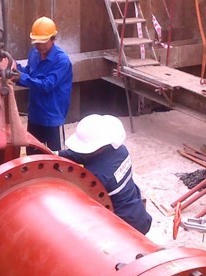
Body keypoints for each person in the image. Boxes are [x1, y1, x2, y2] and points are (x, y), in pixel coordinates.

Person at [59, 114, 152, 235]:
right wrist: (57, 154)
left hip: (125, 226)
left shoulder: (97, 174)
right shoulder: (120, 151)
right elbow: (82, 155)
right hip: (139, 213)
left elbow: (81, 204)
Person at [15, 17, 73, 152]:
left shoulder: (62, 61)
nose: (39, 46)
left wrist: (21, 77)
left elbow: (47, 85)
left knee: (56, 157)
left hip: (52, 117)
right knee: (32, 154)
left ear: (53, 39)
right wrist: (14, 69)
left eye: (43, 42)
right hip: (35, 115)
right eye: (36, 42)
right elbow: (29, 73)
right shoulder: (34, 53)